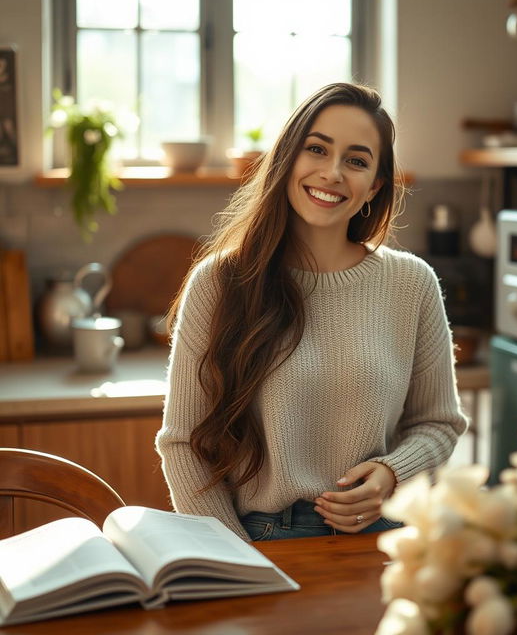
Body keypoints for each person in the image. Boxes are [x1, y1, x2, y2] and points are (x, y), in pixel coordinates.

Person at [156, 82, 468, 542]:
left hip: (387, 538)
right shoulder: (220, 283)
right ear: (286, 160)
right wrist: (235, 557)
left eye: (357, 161)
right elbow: (184, 444)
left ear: (375, 186)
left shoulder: (412, 283)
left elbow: (438, 424)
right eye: (316, 150)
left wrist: (390, 475)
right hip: (259, 539)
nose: (333, 173)